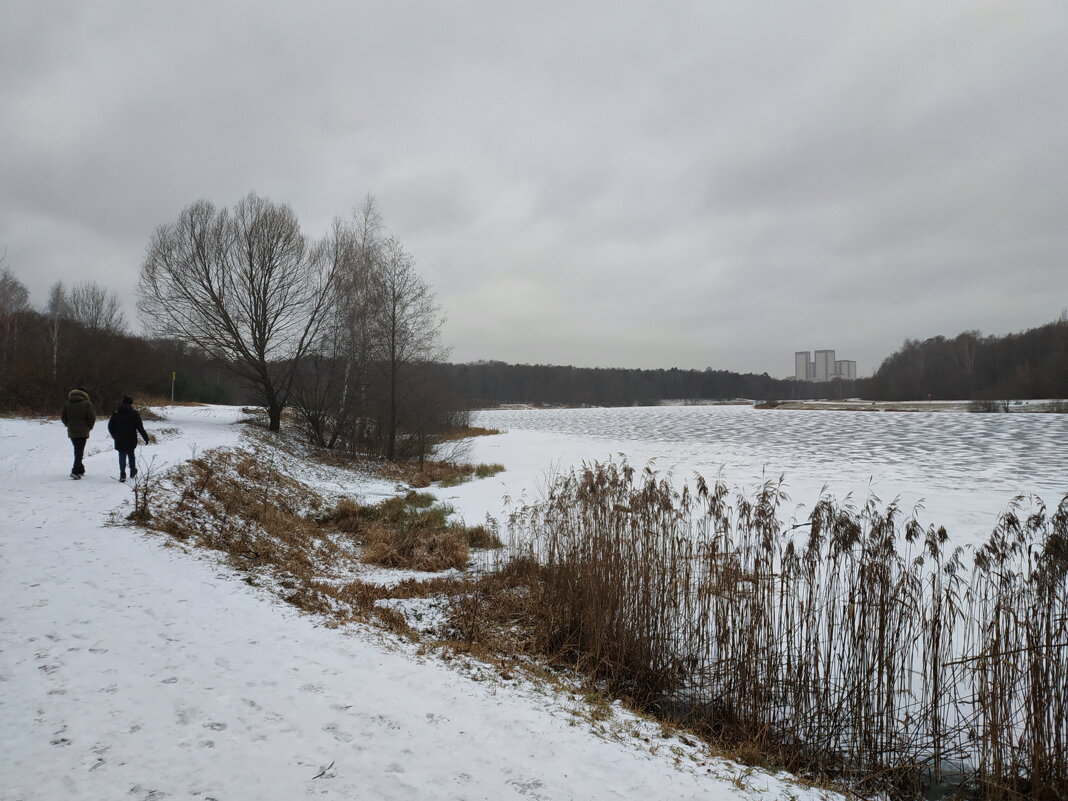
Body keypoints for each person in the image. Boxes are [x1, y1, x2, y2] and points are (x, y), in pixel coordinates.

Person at [107, 395, 150, 482]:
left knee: (121, 454)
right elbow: (140, 427)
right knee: (131, 453)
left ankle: (122, 473)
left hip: (119, 438)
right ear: (130, 404)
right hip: (131, 437)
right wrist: (145, 437)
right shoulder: (134, 413)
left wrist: (114, 435)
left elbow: (110, 426)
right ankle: (133, 470)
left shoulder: (116, 413)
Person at [61, 386, 96, 479]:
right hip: (83, 430)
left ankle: (80, 469)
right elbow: (91, 417)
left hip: (72, 430)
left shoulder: (67, 404)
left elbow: (63, 417)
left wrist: (68, 424)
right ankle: (75, 471)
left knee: (77, 450)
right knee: (79, 451)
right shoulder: (87, 403)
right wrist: (89, 427)